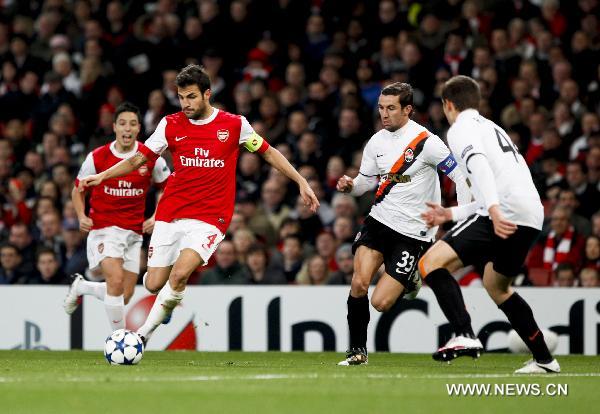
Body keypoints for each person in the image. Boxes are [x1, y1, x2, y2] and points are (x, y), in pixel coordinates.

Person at [78, 64, 319, 345]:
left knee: (179, 275)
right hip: (171, 212)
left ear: (207, 94)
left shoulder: (234, 125)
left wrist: (301, 180)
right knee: (153, 284)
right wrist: (103, 175)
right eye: (181, 97)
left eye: (191, 96)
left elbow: (268, 153)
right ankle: (165, 304)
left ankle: (140, 337)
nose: (185, 103)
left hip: (210, 217)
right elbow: (138, 159)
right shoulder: (170, 124)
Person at [419, 75, 560, 374]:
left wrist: (495, 209)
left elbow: (479, 166)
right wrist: (452, 214)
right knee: (497, 285)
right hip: (531, 215)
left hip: (503, 210)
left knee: (430, 264)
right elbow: (491, 189)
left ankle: (464, 334)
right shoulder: (492, 127)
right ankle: (545, 360)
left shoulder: (460, 128)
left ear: (448, 105)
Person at [335, 82, 471, 365]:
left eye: (391, 108)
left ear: (407, 109)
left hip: (413, 233)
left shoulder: (427, 142)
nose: (384, 114)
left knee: (380, 303)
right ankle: (357, 351)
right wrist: (351, 185)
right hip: (380, 221)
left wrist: (462, 212)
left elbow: (460, 176)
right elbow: (365, 183)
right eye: (381, 108)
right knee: (359, 283)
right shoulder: (376, 142)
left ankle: (412, 277)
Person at [63, 102, 170, 332]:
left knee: (126, 294)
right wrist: (81, 215)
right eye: (122, 123)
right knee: (115, 282)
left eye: (132, 124)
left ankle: (81, 287)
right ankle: (119, 339)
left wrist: (156, 215)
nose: (127, 129)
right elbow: (77, 189)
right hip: (104, 228)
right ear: (114, 127)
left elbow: (167, 188)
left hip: (133, 231)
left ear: (139, 128)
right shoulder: (97, 157)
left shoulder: (150, 158)